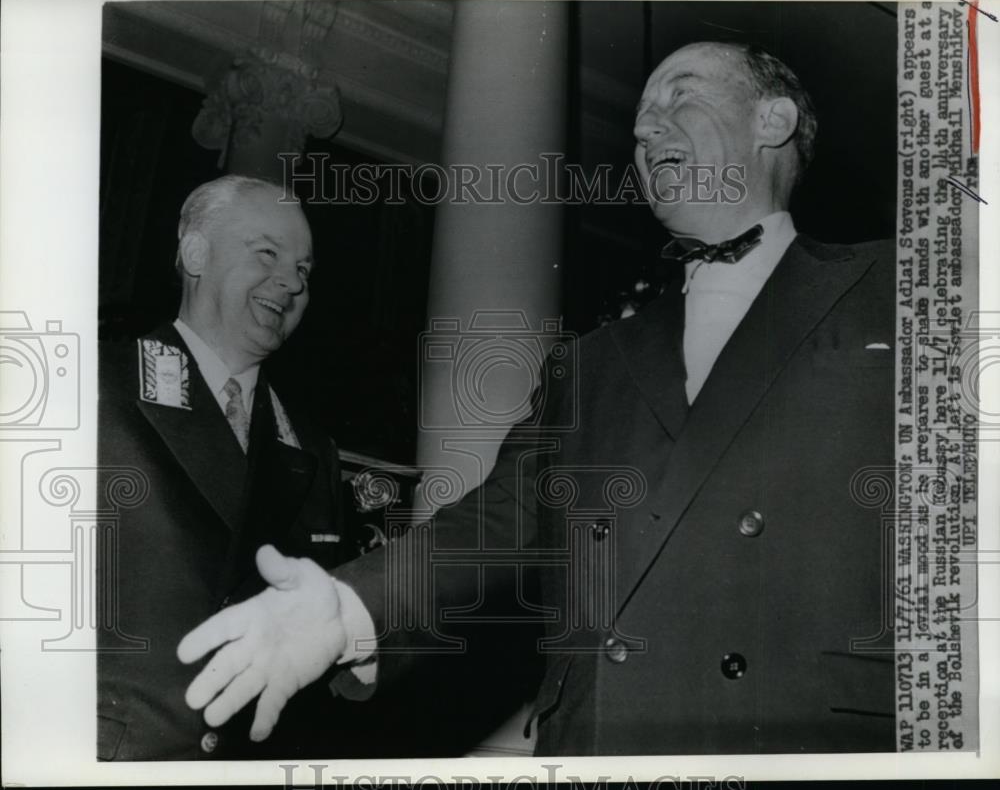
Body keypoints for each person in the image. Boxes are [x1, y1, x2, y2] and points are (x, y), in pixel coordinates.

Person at [177, 43, 896, 755]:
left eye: (679, 96)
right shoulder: (590, 362)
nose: (644, 132)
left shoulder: (898, 288)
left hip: (805, 742)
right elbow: (491, 522)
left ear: (773, 120)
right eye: (640, 118)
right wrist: (349, 605)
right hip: (601, 741)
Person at [97, 175, 357, 760]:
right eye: (268, 253)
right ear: (195, 253)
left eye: (305, 270)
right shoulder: (94, 388)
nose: (291, 282)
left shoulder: (315, 449)